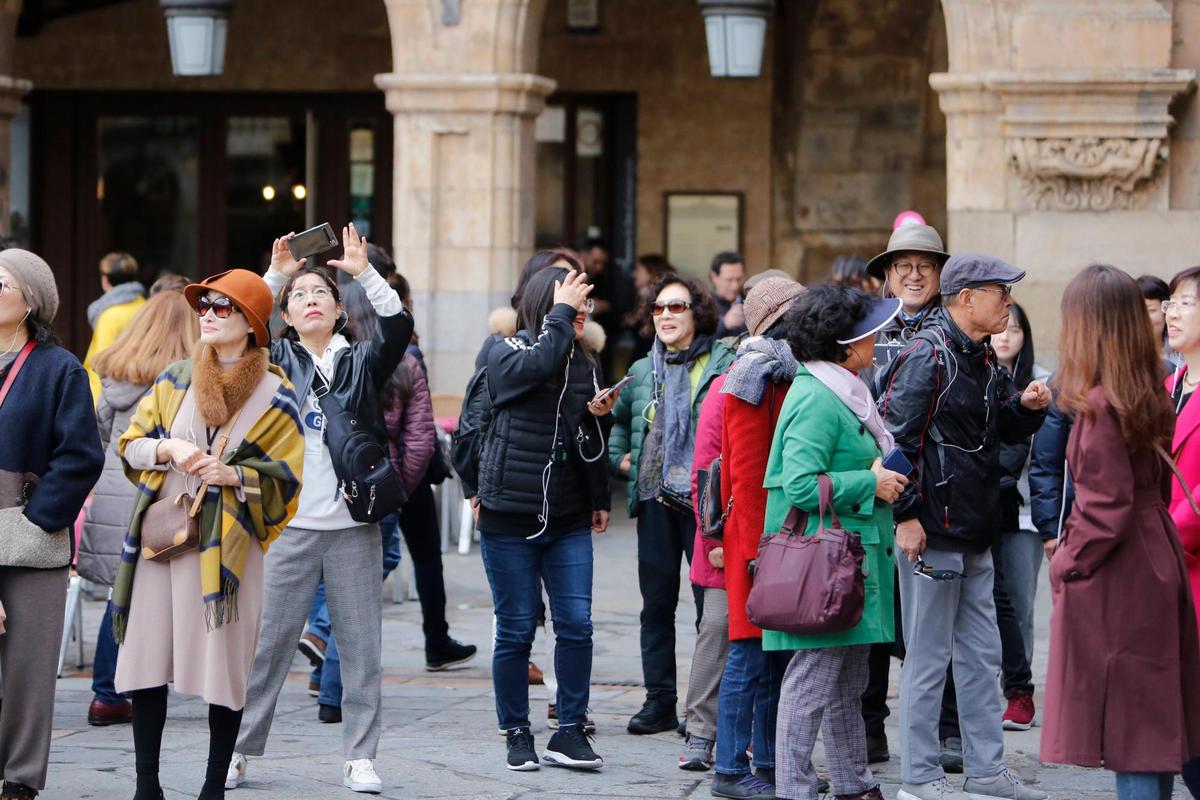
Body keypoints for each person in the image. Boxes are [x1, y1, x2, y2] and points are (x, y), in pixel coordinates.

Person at [228, 224, 413, 795]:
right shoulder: (273, 358)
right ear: (286, 312)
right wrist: (276, 274)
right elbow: (236, 326)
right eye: (298, 296)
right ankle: (236, 747)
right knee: (268, 646)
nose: (310, 301)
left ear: (338, 310)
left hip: (353, 527)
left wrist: (364, 271)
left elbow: (399, 326)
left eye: (319, 294)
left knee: (361, 648)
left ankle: (360, 756)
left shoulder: (361, 362)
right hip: (287, 526)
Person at [111, 268, 304, 800]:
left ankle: (213, 787)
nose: (209, 316)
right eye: (205, 306)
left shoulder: (276, 393)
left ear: (251, 325)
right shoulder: (175, 377)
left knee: (225, 667)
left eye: (223, 308)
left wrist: (235, 475)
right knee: (147, 657)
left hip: (231, 550)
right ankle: (146, 786)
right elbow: (129, 445)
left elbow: (287, 482)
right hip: (163, 539)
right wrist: (168, 449)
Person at [877, 253, 1049, 800]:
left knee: (981, 658)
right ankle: (920, 778)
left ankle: (987, 771)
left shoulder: (978, 357)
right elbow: (895, 445)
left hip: (976, 531)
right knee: (928, 661)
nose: (1008, 301)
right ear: (966, 298)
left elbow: (998, 424)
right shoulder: (926, 355)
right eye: (1000, 290)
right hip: (932, 532)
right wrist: (904, 518)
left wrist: (1027, 406)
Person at [1042, 263, 1200, 800]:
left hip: (1125, 572)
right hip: (1153, 557)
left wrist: (1065, 562)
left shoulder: (1104, 403)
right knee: (1152, 729)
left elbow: (1105, 509)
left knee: (1135, 733)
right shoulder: (1146, 390)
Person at [304, 275, 477, 722]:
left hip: (345, 487)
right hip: (381, 486)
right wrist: (394, 487)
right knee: (359, 596)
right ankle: (331, 675)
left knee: (347, 591)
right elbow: (420, 436)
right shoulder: (391, 361)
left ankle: (327, 675)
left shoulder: (349, 361)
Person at [763, 284, 906, 800]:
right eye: (869, 333)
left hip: (849, 560)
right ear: (846, 346)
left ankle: (853, 782)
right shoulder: (817, 397)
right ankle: (795, 787)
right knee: (812, 680)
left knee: (847, 681)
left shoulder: (840, 388)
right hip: (828, 566)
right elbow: (798, 485)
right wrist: (871, 482)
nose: (877, 339)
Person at [475, 267, 611, 772]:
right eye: (571, 303)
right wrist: (475, 487)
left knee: (577, 625)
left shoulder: (587, 362)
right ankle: (516, 732)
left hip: (569, 515)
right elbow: (518, 380)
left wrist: (601, 422)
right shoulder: (504, 349)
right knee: (515, 630)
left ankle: (570, 731)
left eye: (585, 305)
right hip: (509, 514)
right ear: (544, 304)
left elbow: (587, 446)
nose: (582, 313)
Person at [681, 278, 805, 779]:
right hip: (756, 542)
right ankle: (731, 768)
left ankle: (769, 762)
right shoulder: (752, 376)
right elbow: (743, 476)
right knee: (749, 654)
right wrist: (758, 551)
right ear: (778, 319)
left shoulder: (781, 372)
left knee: (773, 658)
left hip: (772, 540)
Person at [609, 274, 736, 735]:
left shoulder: (724, 362)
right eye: (659, 308)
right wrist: (621, 461)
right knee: (656, 605)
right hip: (655, 498)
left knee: (711, 609)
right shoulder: (643, 370)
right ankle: (659, 701)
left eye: (677, 307)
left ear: (697, 313)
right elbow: (620, 424)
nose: (665, 315)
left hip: (706, 503)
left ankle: (705, 710)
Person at [0, 249, 105, 800]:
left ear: (29, 301)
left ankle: (19, 776)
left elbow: (82, 455)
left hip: (32, 529)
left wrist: (38, 516)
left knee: (28, 663)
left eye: (2, 283)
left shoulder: (59, 367)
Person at [77, 292, 199, 727]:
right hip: (164, 505)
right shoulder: (189, 382)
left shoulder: (115, 378)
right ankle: (148, 683)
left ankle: (106, 693)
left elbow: (97, 438)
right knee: (164, 597)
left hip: (114, 502)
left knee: (121, 596)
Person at [859, 221, 950, 766]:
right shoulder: (867, 329)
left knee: (935, 622)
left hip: (935, 491)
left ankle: (945, 727)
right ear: (888, 277)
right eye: (903, 266)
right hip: (872, 490)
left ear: (940, 276)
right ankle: (871, 726)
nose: (914, 275)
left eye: (925, 266)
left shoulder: (954, 329)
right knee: (873, 617)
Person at [989, 302, 1048, 732]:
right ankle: (996, 687)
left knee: (1018, 603)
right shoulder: (976, 375)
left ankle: (1018, 690)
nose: (1006, 336)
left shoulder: (1041, 384)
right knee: (987, 603)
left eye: (1015, 329)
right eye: (1001, 328)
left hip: (1023, 511)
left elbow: (1037, 454)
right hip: (986, 509)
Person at [1164, 265, 1200, 797]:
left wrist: (1159, 538)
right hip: (1169, 564)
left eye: (1185, 303)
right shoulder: (1171, 382)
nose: (1171, 312)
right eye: (1171, 302)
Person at [84, 251, 146, 402]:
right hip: (142, 391)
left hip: (111, 398)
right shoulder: (146, 307)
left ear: (105, 280)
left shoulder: (109, 316)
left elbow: (99, 366)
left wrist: (93, 405)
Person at [628, 254, 674, 363]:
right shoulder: (643, 296)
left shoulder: (655, 299)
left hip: (651, 358)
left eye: (638, 270)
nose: (634, 274)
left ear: (651, 272)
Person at [1140, 273, 1180, 371]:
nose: (1143, 318)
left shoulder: (1182, 350)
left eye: (1151, 310)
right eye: (1138, 311)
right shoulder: (1122, 353)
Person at [711, 252, 748, 338]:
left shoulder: (750, 301)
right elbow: (697, 344)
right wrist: (724, 325)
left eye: (739, 279)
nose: (735, 286)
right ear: (714, 277)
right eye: (729, 280)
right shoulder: (703, 306)